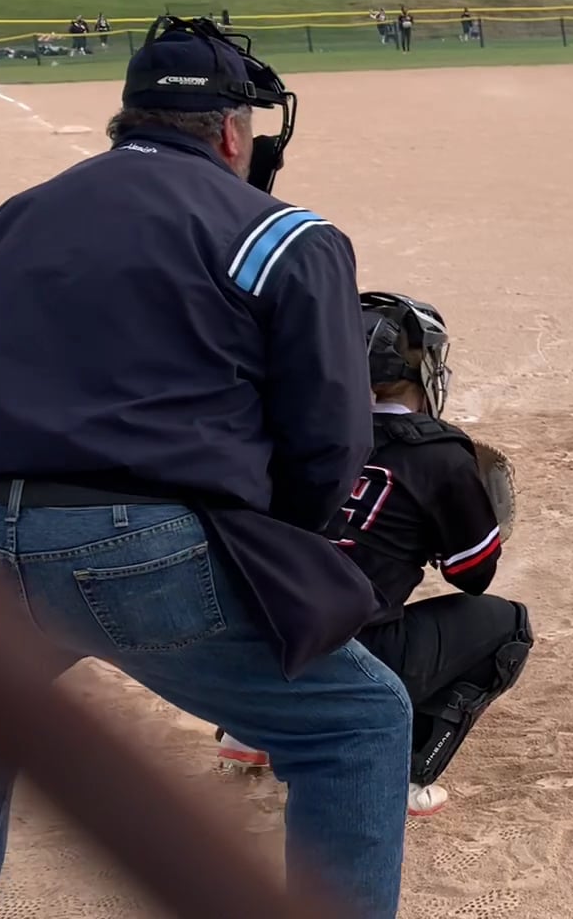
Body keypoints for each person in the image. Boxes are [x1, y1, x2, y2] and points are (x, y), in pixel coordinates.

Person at [0, 15, 412, 919]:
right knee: (357, 722)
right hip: (134, 548)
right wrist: (271, 547)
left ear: (128, 116)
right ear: (232, 134)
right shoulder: (283, 236)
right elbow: (331, 439)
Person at [218, 292, 532, 818]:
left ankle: (246, 730)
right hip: (344, 655)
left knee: (281, 590)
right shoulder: (435, 453)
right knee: (507, 626)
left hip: (237, 649)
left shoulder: (289, 430)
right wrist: (476, 523)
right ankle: (401, 775)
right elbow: (472, 575)